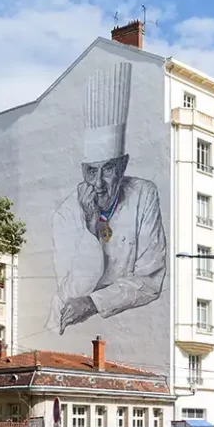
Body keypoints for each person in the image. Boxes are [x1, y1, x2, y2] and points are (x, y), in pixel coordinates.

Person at [46, 62, 167, 335]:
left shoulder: (144, 194)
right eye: (91, 171)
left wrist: (93, 302)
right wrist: (91, 229)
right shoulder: (65, 214)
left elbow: (150, 281)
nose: (98, 183)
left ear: (123, 166)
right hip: (75, 333)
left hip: (131, 330)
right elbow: (70, 291)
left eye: (108, 169)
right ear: (82, 171)